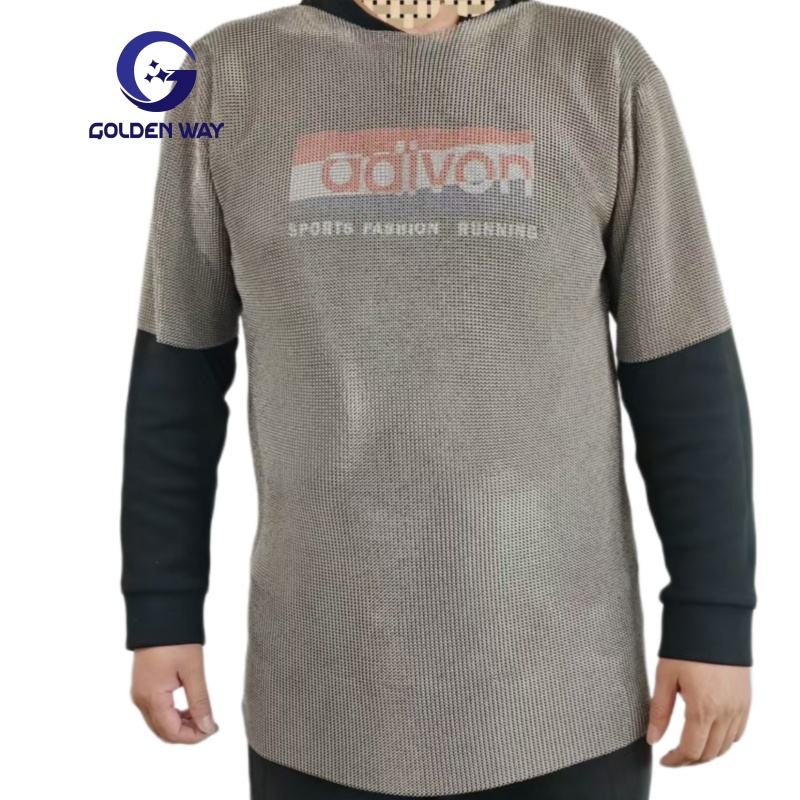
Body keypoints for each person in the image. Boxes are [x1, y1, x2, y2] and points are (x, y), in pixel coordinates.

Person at [120, 2, 757, 798]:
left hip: (561, 690)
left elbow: (682, 371)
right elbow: (178, 375)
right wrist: (163, 611)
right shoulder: (226, 77)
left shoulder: (598, 66)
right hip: (324, 685)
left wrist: (712, 618)